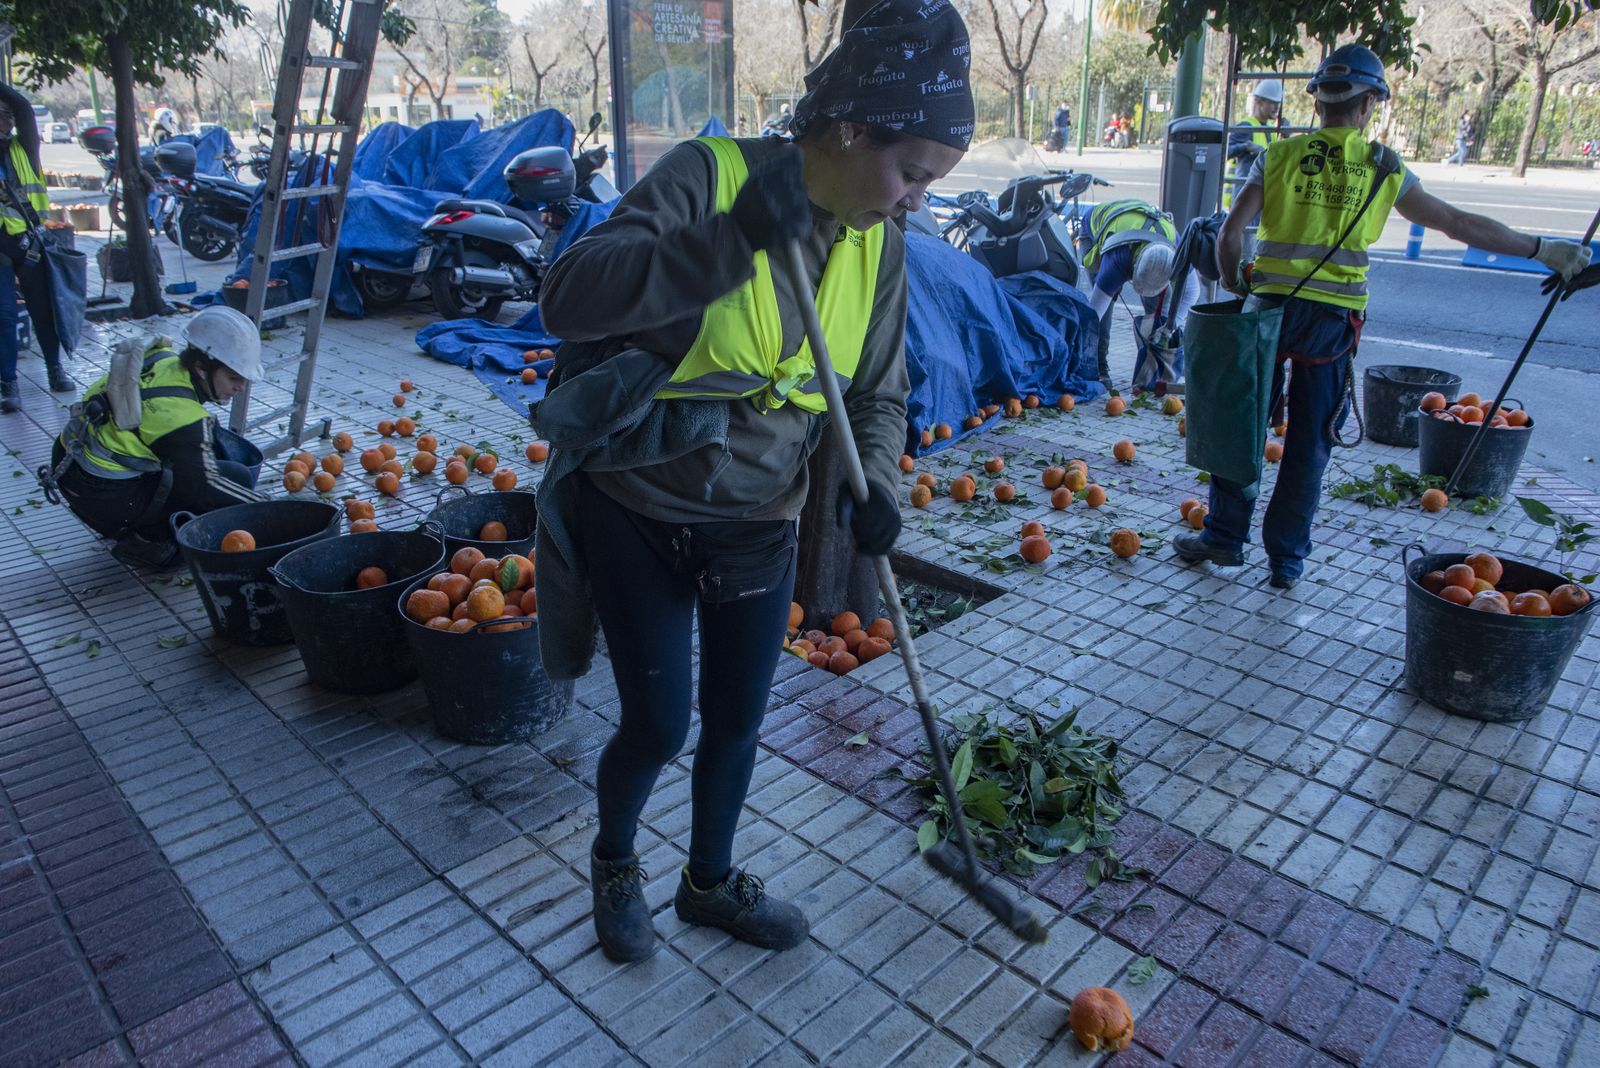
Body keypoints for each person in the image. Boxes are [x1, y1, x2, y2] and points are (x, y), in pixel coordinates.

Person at [530, 0, 971, 964]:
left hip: (760, 523)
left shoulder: (880, 246)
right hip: (640, 507)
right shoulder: (710, 176)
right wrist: (728, 242)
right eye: (912, 174)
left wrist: (879, 485)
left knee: (736, 723)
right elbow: (568, 296)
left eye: (931, 184)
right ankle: (615, 861)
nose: (914, 202)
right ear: (854, 129)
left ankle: (710, 883)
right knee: (657, 724)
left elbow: (877, 394)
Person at [1174, 44, 1592, 590]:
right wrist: (1544, 250)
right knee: (1309, 441)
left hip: (1267, 312)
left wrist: (1234, 281)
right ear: (1370, 102)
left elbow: (1230, 236)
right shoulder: (1383, 168)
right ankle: (1286, 562)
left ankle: (1226, 539)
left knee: (1239, 423)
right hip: (1331, 325)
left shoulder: (1277, 157)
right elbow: (1457, 223)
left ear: (1318, 100)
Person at [42, 306, 267, 569]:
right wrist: (270, 509)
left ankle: (133, 522)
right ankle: (145, 543)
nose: (240, 388)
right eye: (233, 378)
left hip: (69, 464)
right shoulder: (180, 417)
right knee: (205, 507)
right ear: (202, 367)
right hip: (96, 493)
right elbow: (203, 486)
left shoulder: (163, 360)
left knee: (237, 476)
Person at [0, 83, 72, 414]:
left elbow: (25, 108)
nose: (8, 121)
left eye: (9, 116)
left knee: (44, 311)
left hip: (29, 244)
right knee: (4, 316)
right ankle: (8, 382)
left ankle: (55, 369)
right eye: (2, 115)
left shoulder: (24, 147)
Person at [1076, 198, 1195, 390]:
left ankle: (1152, 370)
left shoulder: (1178, 252)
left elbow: (1191, 293)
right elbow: (1092, 318)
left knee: (1157, 307)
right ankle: (1099, 366)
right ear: (1133, 268)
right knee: (1108, 302)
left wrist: (1169, 327)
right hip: (1095, 227)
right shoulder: (1116, 261)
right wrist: (1074, 358)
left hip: (1143, 229)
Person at [1224, 79, 1282, 208]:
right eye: (1272, 102)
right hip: (1244, 194)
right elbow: (1224, 152)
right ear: (1258, 101)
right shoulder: (1246, 126)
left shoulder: (1270, 130)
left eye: (1278, 103)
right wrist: (1245, 147)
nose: (1276, 107)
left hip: (1261, 192)